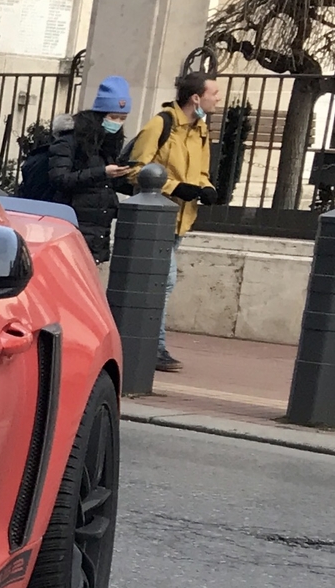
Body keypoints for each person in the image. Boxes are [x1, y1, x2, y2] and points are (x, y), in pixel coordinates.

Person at [125, 72, 222, 373]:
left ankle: (148, 344)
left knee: (160, 283)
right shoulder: (162, 124)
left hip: (180, 220)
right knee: (162, 281)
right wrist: (174, 188)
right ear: (196, 97)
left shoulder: (200, 129)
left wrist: (206, 189)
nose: (218, 99)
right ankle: (153, 347)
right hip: (156, 218)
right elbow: (135, 170)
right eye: (214, 93)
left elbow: (201, 172)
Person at [46, 76, 137, 270]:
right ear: (99, 115)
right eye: (112, 117)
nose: (117, 123)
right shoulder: (69, 141)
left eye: (122, 118)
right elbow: (60, 179)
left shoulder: (107, 144)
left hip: (97, 231)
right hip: (73, 225)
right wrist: (102, 172)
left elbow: (105, 188)